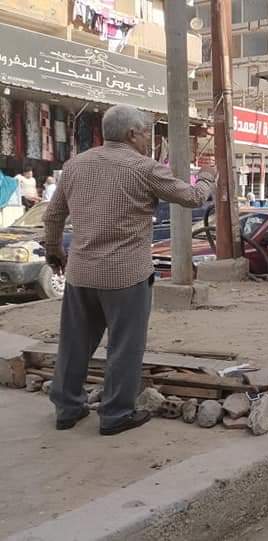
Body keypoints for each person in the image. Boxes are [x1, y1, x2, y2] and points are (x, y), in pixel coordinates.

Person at [44, 105, 217, 436]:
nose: (147, 139)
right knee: (124, 346)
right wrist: (208, 177)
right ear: (131, 133)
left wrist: (54, 251)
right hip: (126, 276)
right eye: (145, 132)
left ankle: (67, 409)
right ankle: (115, 414)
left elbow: (52, 216)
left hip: (80, 273)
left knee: (74, 343)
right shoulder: (144, 168)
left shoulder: (75, 165)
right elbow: (194, 197)